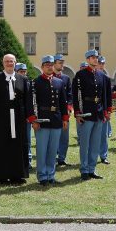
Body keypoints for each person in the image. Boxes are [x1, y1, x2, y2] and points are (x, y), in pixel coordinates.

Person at [0, 54, 33, 184]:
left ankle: (18, 175)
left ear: (15, 63)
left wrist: (28, 116)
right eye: (7, 61)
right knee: (2, 144)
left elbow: (27, 100)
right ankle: (2, 175)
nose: (9, 63)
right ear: (3, 63)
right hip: (2, 117)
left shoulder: (22, 79)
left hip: (19, 117)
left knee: (19, 145)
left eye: (11, 61)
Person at [72, 50, 112, 180]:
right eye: (93, 58)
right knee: (85, 144)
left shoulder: (102, 76)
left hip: (98, 113)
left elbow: (105, 95)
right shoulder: (80, 75)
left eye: (97, 58)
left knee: (95, 143)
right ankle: (84, 169)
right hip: (86, 112)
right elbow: (76, 96)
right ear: (88, 60)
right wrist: (78, 113)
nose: (96, 60)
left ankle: (92, 169)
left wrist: (107, 111)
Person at [30, 55, 69, 186]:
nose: (49, 67)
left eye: (51, 65)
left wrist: (65, 118)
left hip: (56, 119)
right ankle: (42, 176)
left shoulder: (59, 82)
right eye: (46, 65)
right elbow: (32, 103)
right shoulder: (36, 82)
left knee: (53, 150)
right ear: (42, 67)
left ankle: (51, 175)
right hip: (42, 120)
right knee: (42, 150)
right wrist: (34, 120)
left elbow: (63, 102)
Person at [54, 54, 73, 167]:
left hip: (64, 111)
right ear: (54, 63)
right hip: (53, 112)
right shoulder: (49, 76)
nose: (62, 64)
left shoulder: (66, 78)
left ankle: (62, 158)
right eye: (60, 62)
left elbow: (69, 95)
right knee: (54, 136)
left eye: (63, 62)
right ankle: (54, 157)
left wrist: (69, 108)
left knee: (64, 137)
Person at [15, 63, 34, 170]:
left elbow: (31, 101)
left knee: (27, 139)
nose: (23, 73)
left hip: (26, 116)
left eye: (24, 71)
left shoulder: (29, 83)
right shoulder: (13, 82)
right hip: (15, 115)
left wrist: (30, 115)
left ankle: (28, 160)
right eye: (21, 71)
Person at [97, 56, 112, 164]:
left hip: (103, 110)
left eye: (103, 63)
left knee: (103, 135)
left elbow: (108, 96)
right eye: (100, 63)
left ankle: (103, 155)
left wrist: (108, 110)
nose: (101, 65)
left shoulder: (106, 78)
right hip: (93, 111)